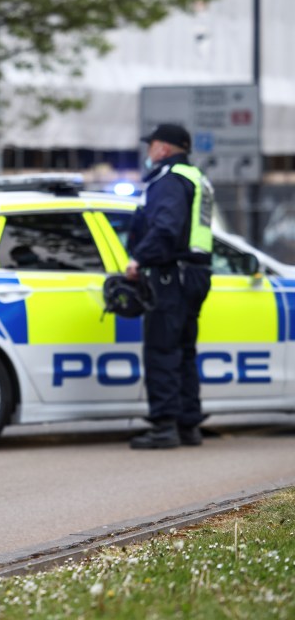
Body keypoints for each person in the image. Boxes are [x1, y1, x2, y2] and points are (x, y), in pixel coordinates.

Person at [125, 123, 214, 449]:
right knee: (184, 351)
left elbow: (166, 227)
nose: (149, 151)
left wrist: (139, 259)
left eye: (152, 145)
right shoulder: (196, 177)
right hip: (194, 273)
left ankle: (164, 427)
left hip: (170, 274)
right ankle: (188, 425)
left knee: (162, 350)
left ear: (163, 148)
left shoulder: (169, 180)